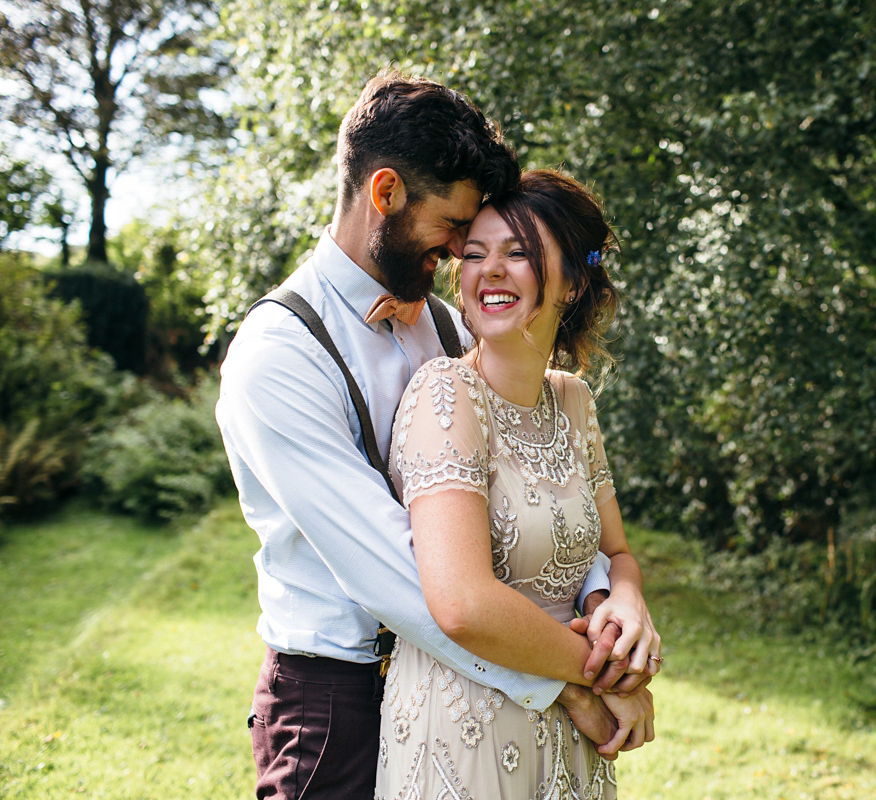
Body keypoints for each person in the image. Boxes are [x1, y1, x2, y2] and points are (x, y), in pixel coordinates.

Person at [216, 71, 655, 800]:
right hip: (336, 700)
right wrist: (573, 682)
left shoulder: (448, 327)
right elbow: (397, 569)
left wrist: (611, 597)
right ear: (384, 193)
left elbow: (522, 496)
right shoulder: (279, 355)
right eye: (453, 227)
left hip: (472, 680)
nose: (462, 255)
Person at [376, 169, 661, 799]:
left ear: (575, 280)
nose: (490, 271)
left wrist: (624, 602)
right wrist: (610, 681)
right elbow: (463, 604)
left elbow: (615, 554)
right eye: (474, 255)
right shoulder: (444, 394)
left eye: (518, 253)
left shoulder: (575, 402)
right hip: (465, 730)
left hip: (575, 745)